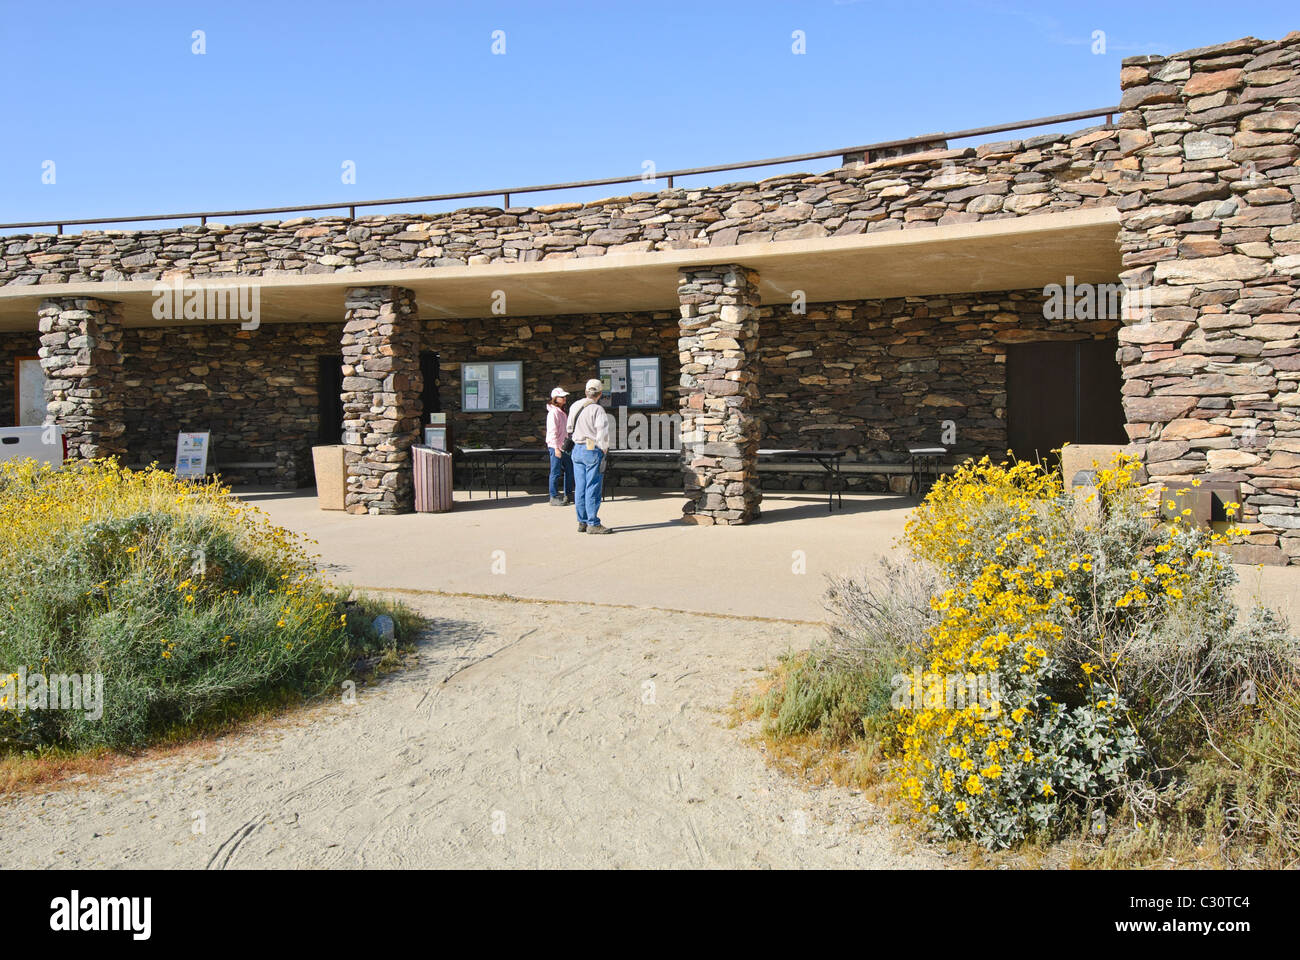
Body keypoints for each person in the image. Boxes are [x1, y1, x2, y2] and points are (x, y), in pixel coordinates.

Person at [567, 378, 613, 534]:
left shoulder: (574, 406)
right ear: (600, 394)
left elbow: (569, 427)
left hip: (577, 448)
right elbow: (602, 433)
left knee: (579, 486)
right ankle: (593, 522)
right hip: (591, 447)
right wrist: (604, 449)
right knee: (592, 486)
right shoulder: (597, 410)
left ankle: (582, 521)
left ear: (586, 391)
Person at [545, 386, 575, 506]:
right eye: (562, 397)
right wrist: (556, 448)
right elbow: (552, 431)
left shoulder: (561, 412)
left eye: (564, 396)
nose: (564, 398)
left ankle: (568, 494)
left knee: (569, 470)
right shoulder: (553, 413)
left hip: (564, 446)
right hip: (556, 447)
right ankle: (553, 496)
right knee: (556, 472)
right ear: (555, 398)